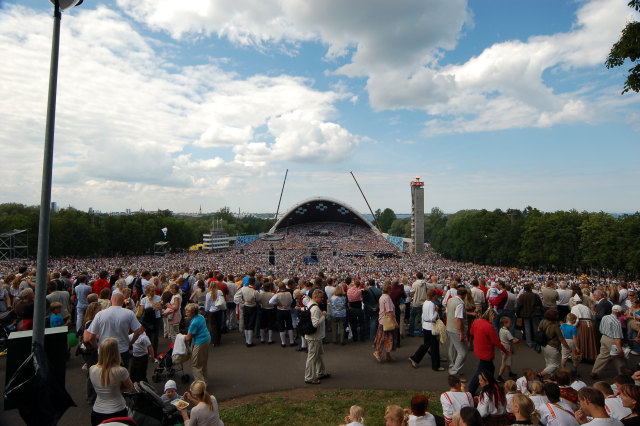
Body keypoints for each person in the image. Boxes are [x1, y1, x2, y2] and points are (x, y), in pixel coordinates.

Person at [85, 292, 144, 369]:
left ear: (111, 301)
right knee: (122, 373)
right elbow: (138, 331)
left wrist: (97, 346)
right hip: (122, 349)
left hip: (104, 350)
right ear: (123, 302)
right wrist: (131, 342)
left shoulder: (100, 314)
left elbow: (91, 336)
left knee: (104, 373)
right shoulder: (129, 313)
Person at [89, 338, 133, 426]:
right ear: (116, 353)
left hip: (97, 411)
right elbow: (130, 388)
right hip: (117, 411)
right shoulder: (121, 371)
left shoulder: (92, 369)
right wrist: (119, 388)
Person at [468, 309, 509, 396]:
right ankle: (472, 390)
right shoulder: (489, 327)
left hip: (479, 349)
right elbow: (496, 342)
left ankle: (491, 386)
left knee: (490, 368)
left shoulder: (476, 322)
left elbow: (471, 332)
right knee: (481, 371)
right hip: (486, 352)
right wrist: (505, 350)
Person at [409, 289, 443, 371]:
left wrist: (423, 325)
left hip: (426, 325)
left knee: (426, 345)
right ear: (434, 296)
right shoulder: (431, 304)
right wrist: (436, 311)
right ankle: (436, 366)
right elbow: (432, 318)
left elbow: (423, 315)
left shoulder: (425, 303)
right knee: (434, 347)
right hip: (431, 326)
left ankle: (415, 358)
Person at [591, 305, 628, 380]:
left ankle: (595, 371)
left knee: (603, 355)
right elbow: (617, 337)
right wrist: (620, 349)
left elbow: (601, 328)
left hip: (604, 337)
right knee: (619, 358)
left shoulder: (605, 317)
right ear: (620, 312)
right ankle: (623, 376)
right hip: (612, 340)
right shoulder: (617, 322)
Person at [305, 289, 330, 384]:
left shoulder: (309, 304)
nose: (322, 299)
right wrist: (323, 316)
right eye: (321, 297)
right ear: (315, 297)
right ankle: (309, 377)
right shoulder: (315, 308)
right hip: (314, 336)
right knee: (312, 357)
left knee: (319, 355)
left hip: (315, 336)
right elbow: (315, 324)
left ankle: (321, 372)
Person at [538, 309, 571, 380]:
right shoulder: (555, 327)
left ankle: (550, 377)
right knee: (555, 364)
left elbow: (539, 330)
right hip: (552, 346)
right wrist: (568, 348)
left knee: (548, 362)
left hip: (543, 344)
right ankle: (541, 374)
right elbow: (561, 339)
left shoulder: (542, 322)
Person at [183, 303, 210, 385]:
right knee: (203, 363)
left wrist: (180, 336)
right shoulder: (200, 317)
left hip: (200, 341)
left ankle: (200, 385)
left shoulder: (194, 323)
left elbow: (188, 338)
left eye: (188, 312)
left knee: (194, 365)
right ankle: (205, 382)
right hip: (206, 339)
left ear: (193, 312)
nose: (186, 314)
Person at [446, 287, 469, 380]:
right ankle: (454, 372)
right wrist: (461, 333)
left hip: (450, 327)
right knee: (463, 352)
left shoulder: (451, 300)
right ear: (464, 295)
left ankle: (452, 367)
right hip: (456, 329)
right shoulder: (460, 303)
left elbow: (447, 313)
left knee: (452, 348)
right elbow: (458, 319)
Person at [373, 281, 398, 363]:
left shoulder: (382, 297)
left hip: (382, 319)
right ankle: (378, 352)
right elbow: (389, 311)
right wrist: (394, 322)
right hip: (387, 321)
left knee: (386, 338)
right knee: (387, 338)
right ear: (388, 290)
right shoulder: (387, 298)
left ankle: (387, 355)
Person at [571, 294, 598, 360]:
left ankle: (579, 357)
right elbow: (593, 317)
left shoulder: (575, 308)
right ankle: (590, 356)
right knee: (589, 340)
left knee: (580, 340)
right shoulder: (586, 307)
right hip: (590, 324)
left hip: (581, 324)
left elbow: (575, 319)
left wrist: (573, 326)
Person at [270, 280, 296, 347]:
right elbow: (291, 301)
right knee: (289, 326)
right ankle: (291, 342)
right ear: (285, 287)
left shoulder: (277, 295)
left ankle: (283, 343)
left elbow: (270, 302)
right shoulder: (288, 294)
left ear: (278, 287)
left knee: (281, 326)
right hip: (287, 310)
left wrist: (277, 303)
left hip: (280, 310)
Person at [234, 277, 259, 347]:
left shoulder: (243, 288)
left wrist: (241, 302)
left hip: (246, 306)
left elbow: (236, 296)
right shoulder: (254, 291)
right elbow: (258, 298)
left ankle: (247, 340)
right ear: (254, 283)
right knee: (251, 324)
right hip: (252, 307)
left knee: (246, 323)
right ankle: (249, 341)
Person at [139, 284, 162, 355]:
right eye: (152, 291)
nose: (153, 292)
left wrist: (151, 300)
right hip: (147, 319)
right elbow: (141, 311)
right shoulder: (143, 299)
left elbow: (157, 308)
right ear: (148, 292)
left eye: (154, 291)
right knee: (147, 335)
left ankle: (154, 353)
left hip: (155, 319)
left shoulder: (157, 298)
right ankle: (148, 352)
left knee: (154, 337)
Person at [497, 316, 519, 383]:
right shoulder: (507, 332)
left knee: (506, 360)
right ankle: (499, 376)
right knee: (505, 362)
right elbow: (513, 340)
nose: (511, 324)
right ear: (505, 323)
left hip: (503, 345)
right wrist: (517, 340)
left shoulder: (501, 330)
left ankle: (510, 373)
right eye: (509, 323)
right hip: (507, 347)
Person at [408, 272, 428, 337]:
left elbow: (411, 292)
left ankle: (411, 332)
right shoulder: (425, 283)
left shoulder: (415, 284)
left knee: (412, 317)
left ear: (416, 277)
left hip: (416, 302)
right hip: (424, 302)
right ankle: (421, 332)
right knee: (423, 318)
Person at [205, 281, 224, 347]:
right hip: (219, 310)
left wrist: (206, 310)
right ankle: (218, 339)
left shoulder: (208, 294)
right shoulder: (220, 292)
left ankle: (215, 341)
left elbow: (207, 304)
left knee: (213, 327)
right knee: (219, 325)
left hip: (212, 310)